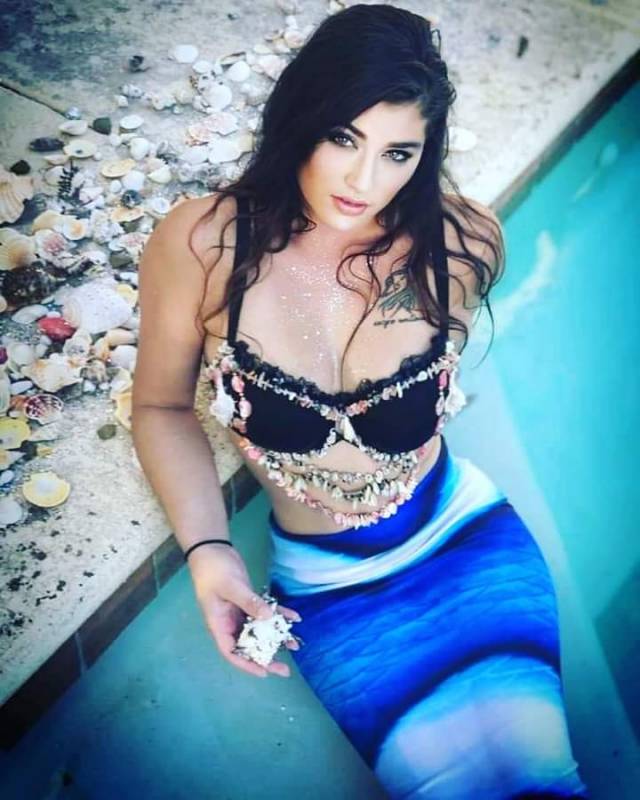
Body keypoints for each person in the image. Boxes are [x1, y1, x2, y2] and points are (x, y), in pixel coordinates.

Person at [132, 4, 589, 797]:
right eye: (344, 138)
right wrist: (209, 553)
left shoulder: (462, 245)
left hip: (467, 538)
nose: (363, 181)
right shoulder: (206, 245)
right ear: (302, 118)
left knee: (548, 777)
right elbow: (161, 408)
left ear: (425, 154)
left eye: (397, 153)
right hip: (330, 589)